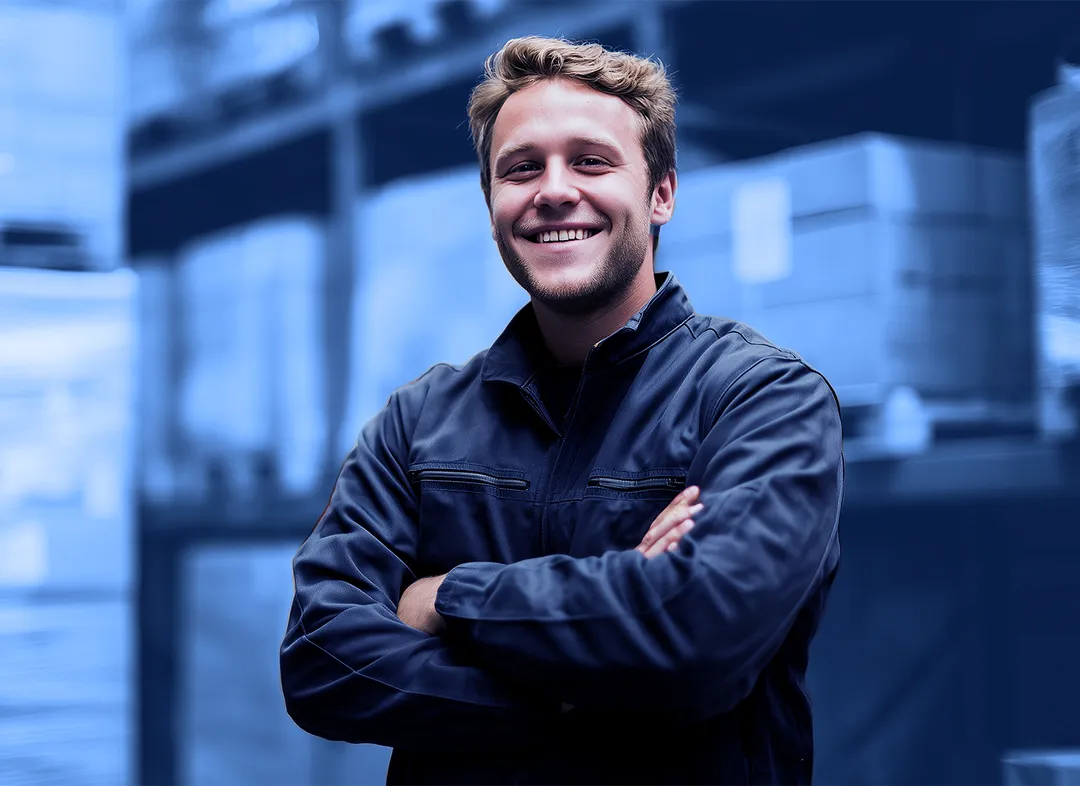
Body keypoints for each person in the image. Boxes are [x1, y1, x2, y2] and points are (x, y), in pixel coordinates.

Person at [280, 35, 844, 786]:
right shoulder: (418, 423)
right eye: (520, 168)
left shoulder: (762, 401)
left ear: (662, 193)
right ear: (492, 207)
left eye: (591, 161)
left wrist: (449, 596)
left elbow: (699, 635)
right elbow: (321, 661)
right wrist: (608, 690)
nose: (552, 189)